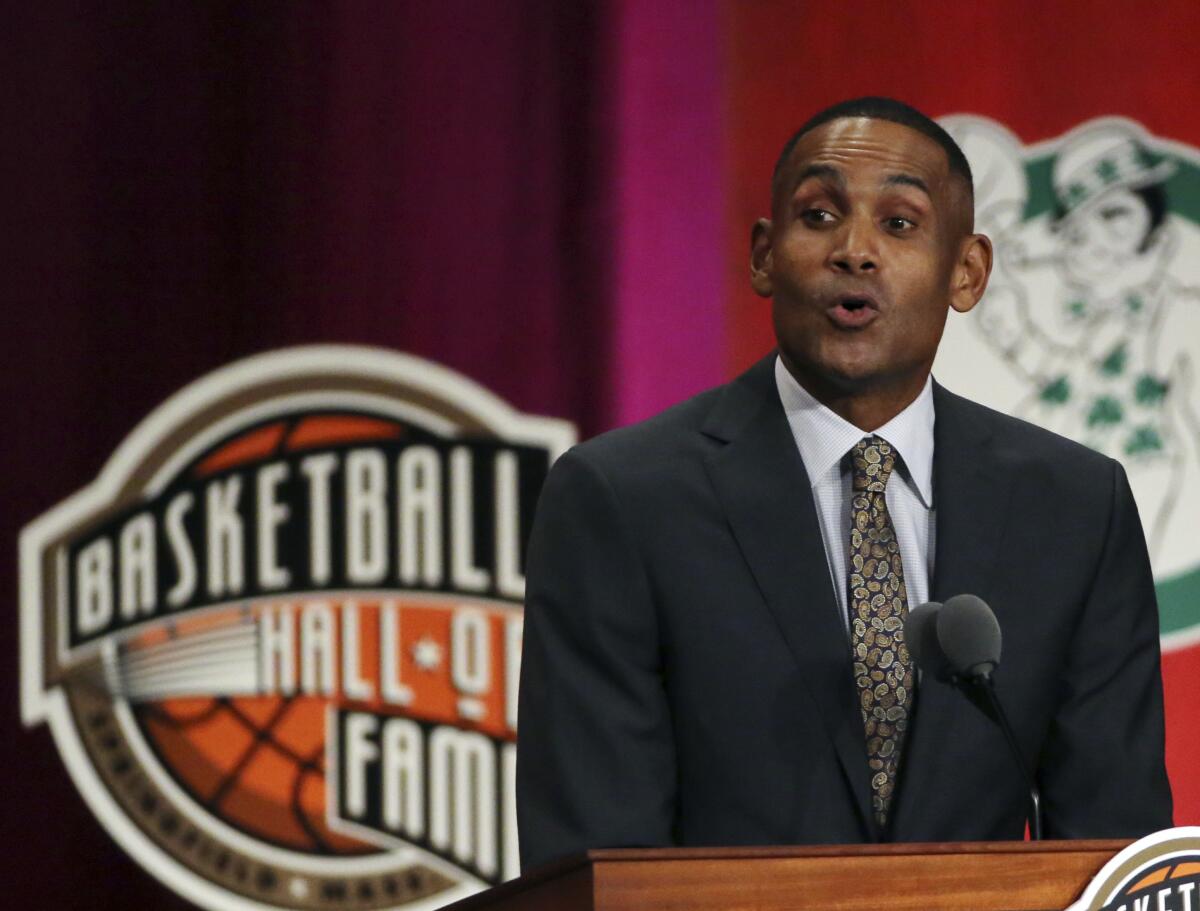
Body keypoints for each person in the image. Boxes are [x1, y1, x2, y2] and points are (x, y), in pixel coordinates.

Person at [515, 97, 1173, 871]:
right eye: (819, 215)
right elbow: (596, 864)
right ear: (764, 256)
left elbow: (1117, 856)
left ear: (967, 272)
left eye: (899, 224)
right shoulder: (622, 500)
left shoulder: (1073, 507)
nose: (854, 251)